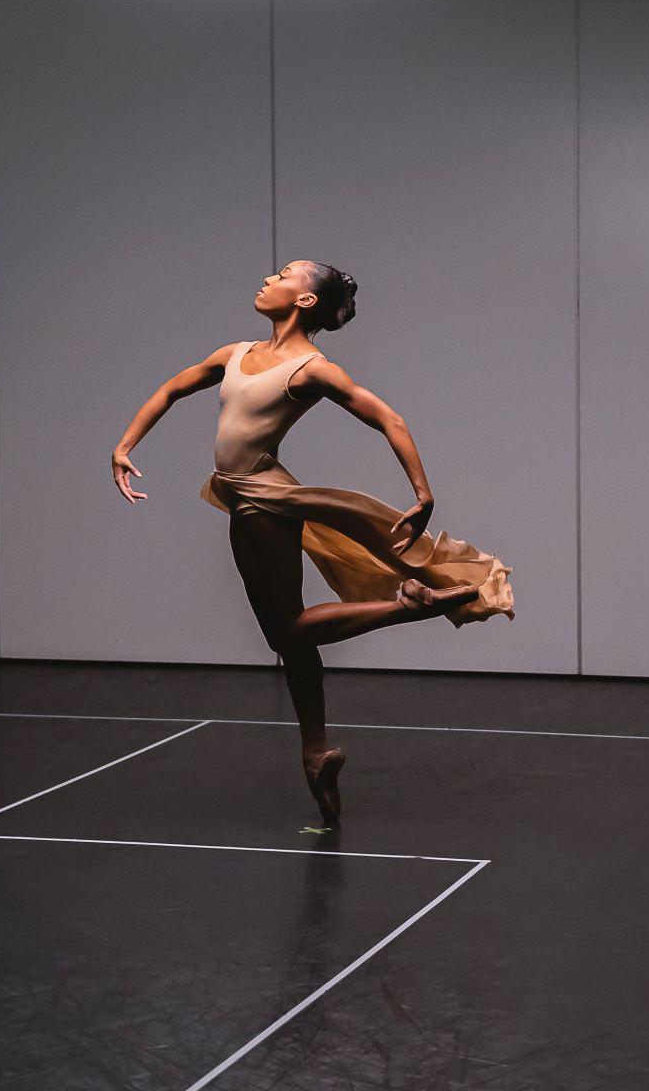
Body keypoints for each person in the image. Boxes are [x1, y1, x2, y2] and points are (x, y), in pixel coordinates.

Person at [109, 260, 514, 824]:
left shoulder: (311, 370)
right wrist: (125, 445)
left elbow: (388, 418)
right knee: (294, 641)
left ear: (303, 302)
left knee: (286, 630)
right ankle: (316, 749)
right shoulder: (234, 354)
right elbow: (174, 388)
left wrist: (422, 496)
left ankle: (409, 605)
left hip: (263, 503)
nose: (268, 279)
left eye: (283, 275)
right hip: (249, 494)